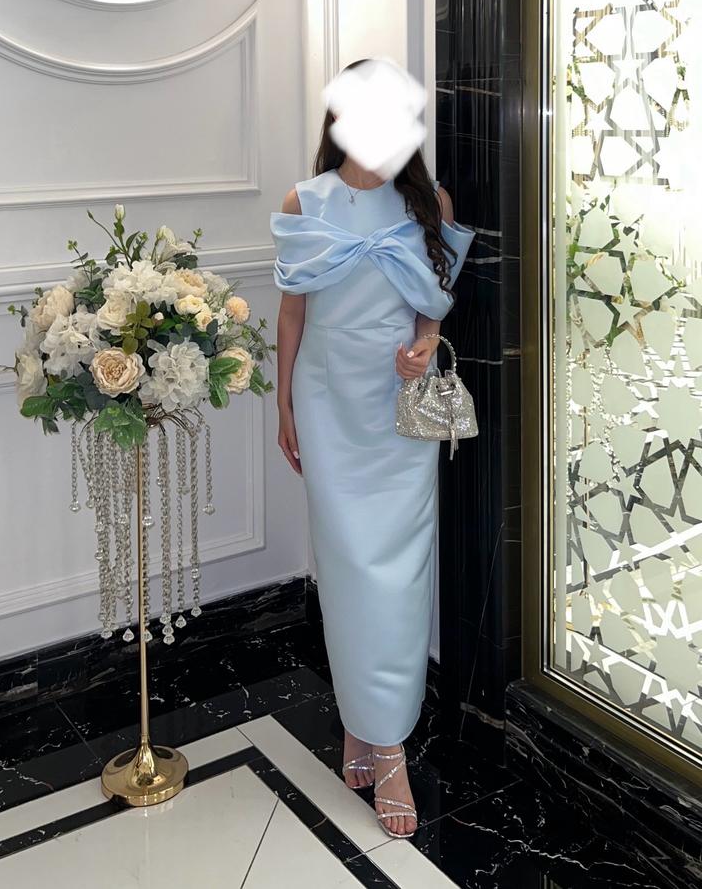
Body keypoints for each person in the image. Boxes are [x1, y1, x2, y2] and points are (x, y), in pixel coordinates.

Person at [269, 60, 474, 839]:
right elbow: (293, 313)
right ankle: (373, 733)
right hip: (327, 406)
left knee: (399, 574)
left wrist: (424, 347)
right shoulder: (306, 199)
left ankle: (379, 739)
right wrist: (283, 404)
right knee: (349, 570)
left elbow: (433, 305)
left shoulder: (429, 202)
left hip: (396, 413)